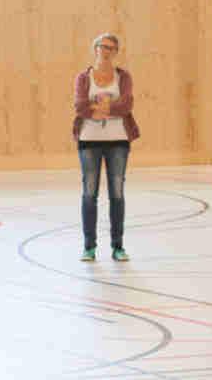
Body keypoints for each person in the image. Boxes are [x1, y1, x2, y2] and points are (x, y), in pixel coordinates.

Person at [72, 33, 139, 262]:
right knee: (89, 193)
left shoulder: (123, 76)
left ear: (116, 52)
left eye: (111, 47)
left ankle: (118, 246)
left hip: (118, 141)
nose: (106, 50)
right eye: (103, 46)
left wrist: (103, 109)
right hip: (88, 140)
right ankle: (89, 247)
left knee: (117, 193)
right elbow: (80, 105)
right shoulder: (83, 77)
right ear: (96, 48)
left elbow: (127, 104)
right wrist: (102, 108)